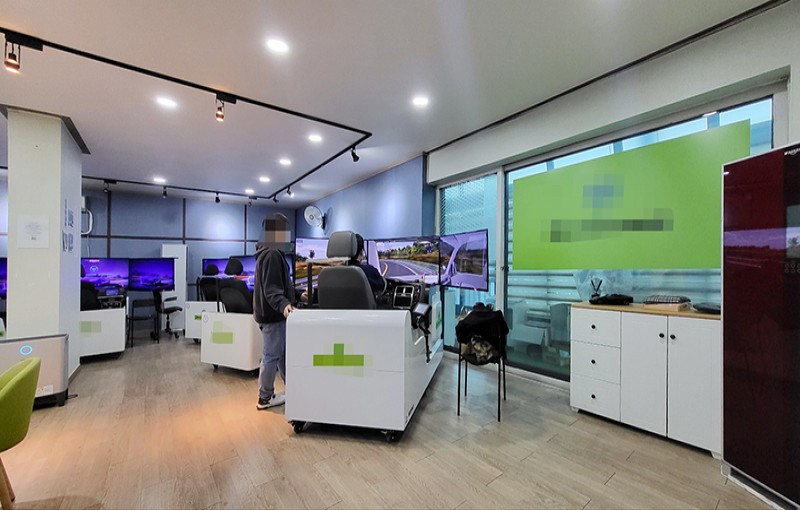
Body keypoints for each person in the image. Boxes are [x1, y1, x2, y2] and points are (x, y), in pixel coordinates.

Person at [253, 213, 305, 410]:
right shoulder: (272, 254)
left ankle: (294, 388)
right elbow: (272, 289)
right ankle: (264, 397)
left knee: (282, 353)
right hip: (273, 316)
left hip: (270, 313)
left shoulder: (267, 252)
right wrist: (284, 305)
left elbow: (281, 286)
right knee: (271, 355)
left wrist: (298, 296)